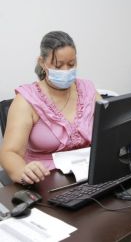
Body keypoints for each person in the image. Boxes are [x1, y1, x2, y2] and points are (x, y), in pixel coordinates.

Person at [0, 31, 102, 185]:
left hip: (90, 177)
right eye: (58, 65)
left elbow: (110, 133)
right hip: (47, 181)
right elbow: (9, 153)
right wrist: (23, 171)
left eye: (71, 64)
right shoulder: (27, 100)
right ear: (42, 62)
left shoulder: (88, 90)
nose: (66, 70)